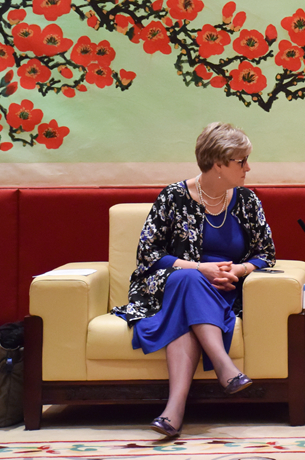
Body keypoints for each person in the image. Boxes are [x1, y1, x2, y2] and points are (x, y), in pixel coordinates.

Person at [111, 122, 275, 439]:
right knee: (187, 280)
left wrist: (237, 270)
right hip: (170, 285)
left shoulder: (247, 201)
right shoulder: (173, 197)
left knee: (188, 300)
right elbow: (148, 254)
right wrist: (200, 268)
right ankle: (224, 367)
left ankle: (173, 412)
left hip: (226, 289)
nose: (248, 168)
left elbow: (266, 254)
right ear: (218, 164)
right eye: (242, 161)